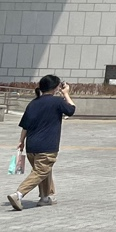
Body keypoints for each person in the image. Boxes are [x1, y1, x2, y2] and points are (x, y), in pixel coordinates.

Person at [8, 75, 76, 211]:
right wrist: (66, 93)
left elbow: (25, 125)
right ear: (56, 87)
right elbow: (71, 110)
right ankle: (18, 194)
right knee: (40, 171)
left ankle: (45, 197)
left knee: (44, 170)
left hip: (31, 146)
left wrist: (21, 141)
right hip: (47, 146)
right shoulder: (57, 101)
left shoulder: (33, 103)